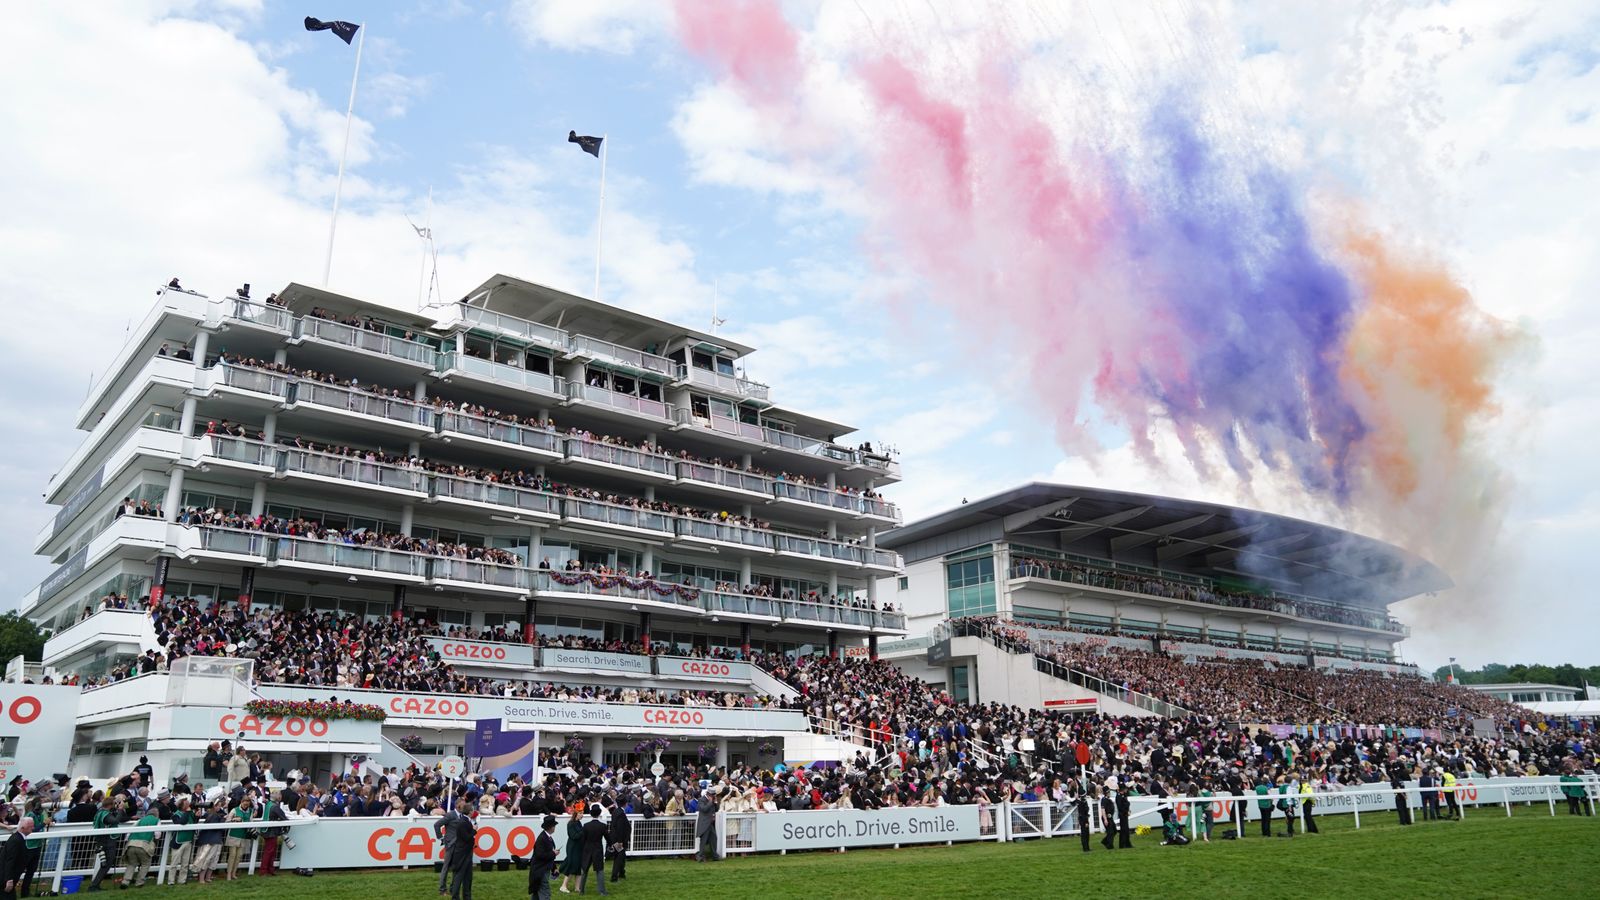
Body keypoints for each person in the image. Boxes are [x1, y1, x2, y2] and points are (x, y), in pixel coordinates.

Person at [87, 795, 125, 891]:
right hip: (107, 841)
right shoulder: (105, 814)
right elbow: (115, 820)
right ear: (111, 805)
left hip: (102, 840)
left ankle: (95, 885)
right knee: (106, 864)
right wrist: (120, 810)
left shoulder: (100, 812)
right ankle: (93, 886)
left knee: (105, 864)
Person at [119, 806, 159, 888]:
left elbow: (129, 833)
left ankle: (125, 881)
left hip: (131, 844)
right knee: (145, 864)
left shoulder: (140, 820)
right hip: (144, 845)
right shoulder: (157, 820)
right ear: (156, 814)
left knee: (131, 864)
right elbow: (157, 835)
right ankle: (139, 882)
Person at [447, 799, 476, 900]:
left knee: (468, 877)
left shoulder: (465, 820)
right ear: (470, 811)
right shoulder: (464, 822)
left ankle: (467, 897)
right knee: (459, 877)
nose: (474, 812)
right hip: (462, 853)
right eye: (473, 810)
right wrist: (474, 830)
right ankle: (455, 897)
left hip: (466, 852)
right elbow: (466, 837)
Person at [192, 801, 227, 884]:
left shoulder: (215, 815)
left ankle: (207, 877)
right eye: (216, 806)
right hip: (210, 840)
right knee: (206, 859)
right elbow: (217, 827)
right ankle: (202, 878)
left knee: (213, 859)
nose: (218, 807)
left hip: (216, 839)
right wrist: (223, 819)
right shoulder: (213, 815)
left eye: (219, 805)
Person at [575, 806, 608, 896]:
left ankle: (581, 890)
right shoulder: (603, 826)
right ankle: (602, 891)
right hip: (597, 849)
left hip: (587, 849)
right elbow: (608, 838)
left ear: (591, 813)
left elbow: (583, 840)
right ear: (599, 813)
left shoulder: (586, 826)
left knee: (584, 870)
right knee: (599, 870)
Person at [1, 819, 34, 900]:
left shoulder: (18, 838)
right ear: (23, 828)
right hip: (5, 878)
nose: (33, 828)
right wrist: (9, 879)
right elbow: (10, 860)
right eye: (30, 826)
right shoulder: (16, 840)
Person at [224, 795, 255, 881]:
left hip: (243, 836)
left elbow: (251, 822)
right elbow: (227, 821)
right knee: (232, 855)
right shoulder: (234, 810)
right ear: (241, 802)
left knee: (239, 856)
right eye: (244, 803)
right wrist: (234, 820)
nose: (246, 805)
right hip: (233, 835)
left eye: (247, 803)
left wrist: (242, 821)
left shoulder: (250, 811)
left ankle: (234, 873)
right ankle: (229, 874)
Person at [529, 815, 559, 900]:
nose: (554, 828)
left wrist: (554, 867)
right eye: (554, 826)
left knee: (537, 892)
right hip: (540, 870)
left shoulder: (547, 837)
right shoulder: (542, 839)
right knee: (545, 893)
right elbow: (540, 855)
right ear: (550, 827)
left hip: (541, 869)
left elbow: (548, 854)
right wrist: (554, 854)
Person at [168, 797, 197, 884]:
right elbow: (182, 822)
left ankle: (182, 880)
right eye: (186, 803)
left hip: (188, 840)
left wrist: (197, 816)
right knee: (174, 863)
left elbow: (194, 823)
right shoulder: (175, 815)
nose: (188, 805)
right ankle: (171, 881)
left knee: (185, 863)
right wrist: (188, 812)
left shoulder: (190, 813)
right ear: (182, 805)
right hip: (178, 841)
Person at [435, 800, 461, 895]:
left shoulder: (462, 815)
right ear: (458, 805)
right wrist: (441, 837)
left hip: (458, 845)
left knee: (456, 867)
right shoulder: (450, 815)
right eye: (462, 805)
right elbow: (437, 824)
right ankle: (442, 889)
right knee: (446, 867)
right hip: (450, 844)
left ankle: (453, 888)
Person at [558, 806, 584, 894]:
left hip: (579, 847)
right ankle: (563, 886)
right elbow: (574, 836)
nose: (582, 815)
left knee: (578, 867)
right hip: (573, 848)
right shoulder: (571, 824)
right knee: (572, 866)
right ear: (576, 814)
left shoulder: (579, 823)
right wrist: (583, 831)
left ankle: (577, 887)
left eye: (582, 813)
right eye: (580, 813)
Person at [695, 787, 720, 862]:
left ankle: (715, 856)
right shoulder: (701, 799)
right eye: (713, 795)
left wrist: (715, 803)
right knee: (704, 840)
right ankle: (700, 856)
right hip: (704, 823)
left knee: (714, 839)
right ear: (709, 794)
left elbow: (716, 809)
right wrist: (710, 802)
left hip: (710, 823)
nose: (714, 796)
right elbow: (704, 809)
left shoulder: (712, 800)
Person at [607, 801, 630, 881]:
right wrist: (620, 841)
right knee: (619, 857)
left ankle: (621, 873)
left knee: (621, 856)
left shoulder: (616, 811)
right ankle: (614, 876)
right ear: (625, 804)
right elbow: (620, 828)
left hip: (615, 838)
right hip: (619, 839)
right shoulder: (621, 814)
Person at [1098, 781, 1117, 851]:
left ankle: (1105, 841)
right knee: (1110, 832)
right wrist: (1105, 819)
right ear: (1106, 793)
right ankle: (1109, 845)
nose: (1109, 793)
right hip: (1106, 817)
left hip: (1110, 817)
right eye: (1108, 792)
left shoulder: (1108, 799)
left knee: (1114, 831)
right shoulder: (1104, 800)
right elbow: (1103, 810)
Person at [1073, 786, 1090, 852]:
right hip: (1083, 819)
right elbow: (1084, 812)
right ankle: (1085, 848)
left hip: (1083, 818)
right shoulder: (1082, 802)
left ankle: (1087, 847)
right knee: (1085, 833)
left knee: (1086, 833)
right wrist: (1086, 822)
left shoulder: (1080, 801)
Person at [1115, 783, 1132, 849]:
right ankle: (1122, 844)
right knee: (1123, 829)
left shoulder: (1124, 795)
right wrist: (1125, 810)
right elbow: (1120, 807)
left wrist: (1128, 810)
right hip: (1122, 814)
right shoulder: (1119, 796)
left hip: (1125, 813)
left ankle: (1127, 843)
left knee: (1126, 829)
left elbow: (1127, 803)